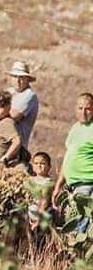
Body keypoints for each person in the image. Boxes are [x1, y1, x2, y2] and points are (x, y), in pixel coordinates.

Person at [51, 93, 93, 234]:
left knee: (81, 227)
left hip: (87, 184)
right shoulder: (75, 128)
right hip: (73, 186)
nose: (84, 112)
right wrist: (58, 185)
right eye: (80, 108)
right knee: (73, 223)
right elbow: (68, 158)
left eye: (88, 109)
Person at [7, 61, 39, 164]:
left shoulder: (29, 95)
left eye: (21, 77)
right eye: (15, 77)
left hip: (16, 150)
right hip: (0, 143)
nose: (17, 80)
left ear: (27, 79)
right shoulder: (8, 91)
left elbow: (14, 116)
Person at [27, 151, 54, 231]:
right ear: (32, 166)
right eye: (36, 163)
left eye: (42, 163)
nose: (39, 165)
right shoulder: (29, 180)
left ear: (49, 166)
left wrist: (38, 221)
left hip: (41, 215)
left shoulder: (49, 182)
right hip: (28, 213)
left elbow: (44, 203)